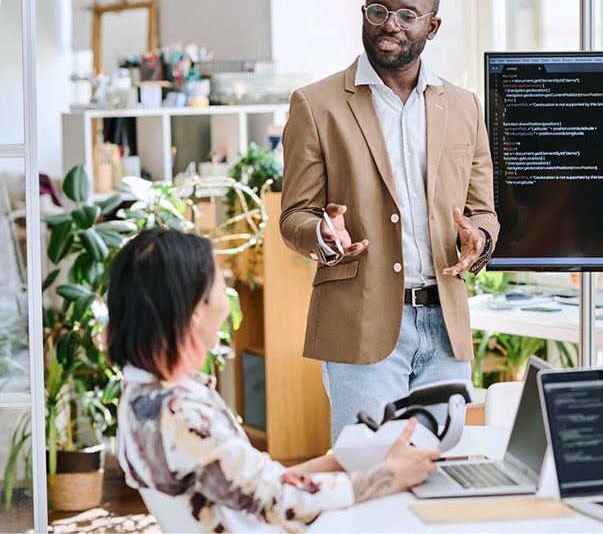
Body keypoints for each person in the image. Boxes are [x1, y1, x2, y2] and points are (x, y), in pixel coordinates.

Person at [280, 0, 499, 440]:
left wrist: (478, 238)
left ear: (432, 26)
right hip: (361, 325)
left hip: (445, 327)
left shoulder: (463, 106)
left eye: (406, 15)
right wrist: (322, 232)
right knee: (369, 475)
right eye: (377, 11)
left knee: (443, 471)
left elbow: (483, 210)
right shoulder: (316, 105)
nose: (389, 26)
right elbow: (293, 215)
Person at [108, 228, 439, 533]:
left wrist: (339, 462)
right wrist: (390, 475)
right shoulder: (182, 414)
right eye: (220, 283)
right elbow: (277, 499)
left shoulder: (142, 399)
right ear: (195, 310)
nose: (227, 295)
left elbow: (255, 485)